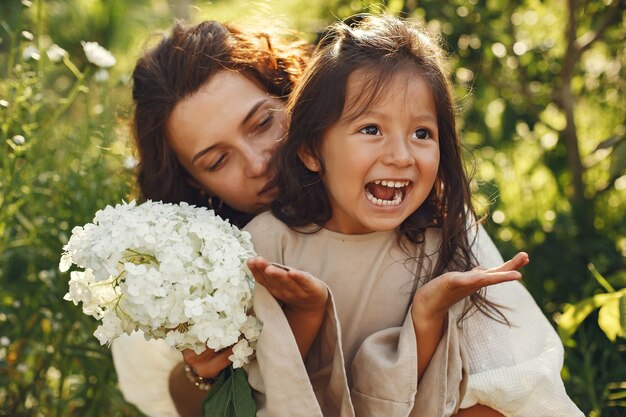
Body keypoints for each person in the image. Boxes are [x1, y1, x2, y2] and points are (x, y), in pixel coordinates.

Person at [241, 13, 584, 417]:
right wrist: (305, 316)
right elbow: (260, 391)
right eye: (371, 129)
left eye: (422, 133)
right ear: (312, 151)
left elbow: (425, 402)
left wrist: (427, 316)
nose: (401, 156)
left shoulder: (438, 241)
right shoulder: (267, 245)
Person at [111, 19, 308, 417]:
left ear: (290, 91)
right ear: (194, 182)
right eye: (218, 161)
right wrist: (201, 373)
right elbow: (172, 403)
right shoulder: (175, 285)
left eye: (263, 123)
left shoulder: (388, 184)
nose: (258, 162)